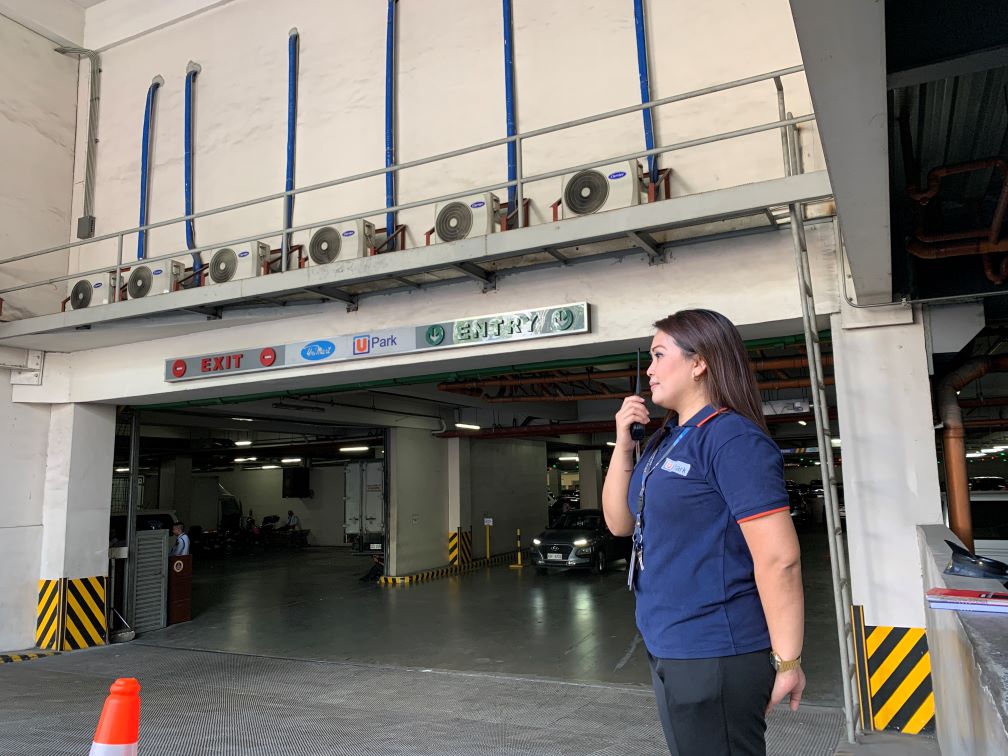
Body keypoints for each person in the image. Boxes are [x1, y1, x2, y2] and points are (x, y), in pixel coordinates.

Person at [602, 309, 804, 756]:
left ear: (699, 363)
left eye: (659, 355)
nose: (649, 370)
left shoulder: (732, 439)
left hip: (716, 649)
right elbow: (620, 522)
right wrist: (624, 441)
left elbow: (779, 559)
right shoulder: (668, 439)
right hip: (668, 643)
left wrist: (788, 660)